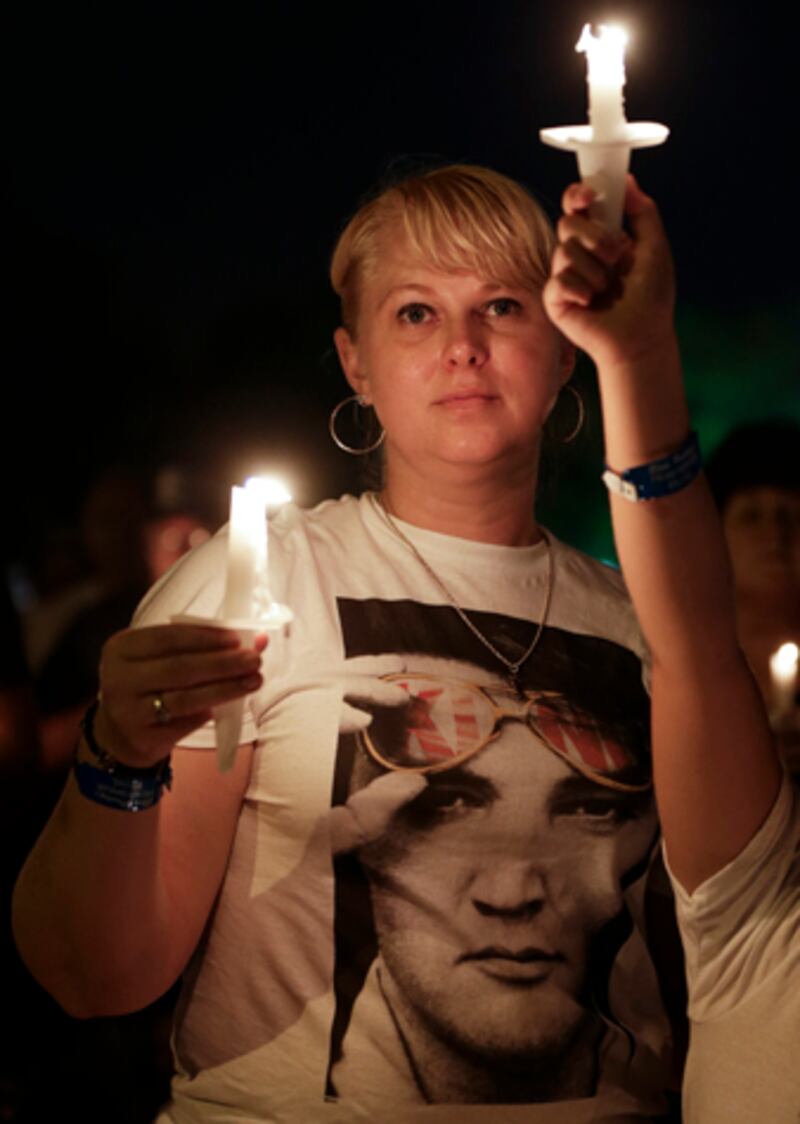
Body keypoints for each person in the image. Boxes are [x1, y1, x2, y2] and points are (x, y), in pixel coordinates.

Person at [14, 163, 693, 1121]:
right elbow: (98, 979)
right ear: (356, 364)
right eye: (416, 313)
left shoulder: (648, 622)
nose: (462, 347)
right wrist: (114, 756)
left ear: (566, 349)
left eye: (501, 305)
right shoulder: (254, 586)